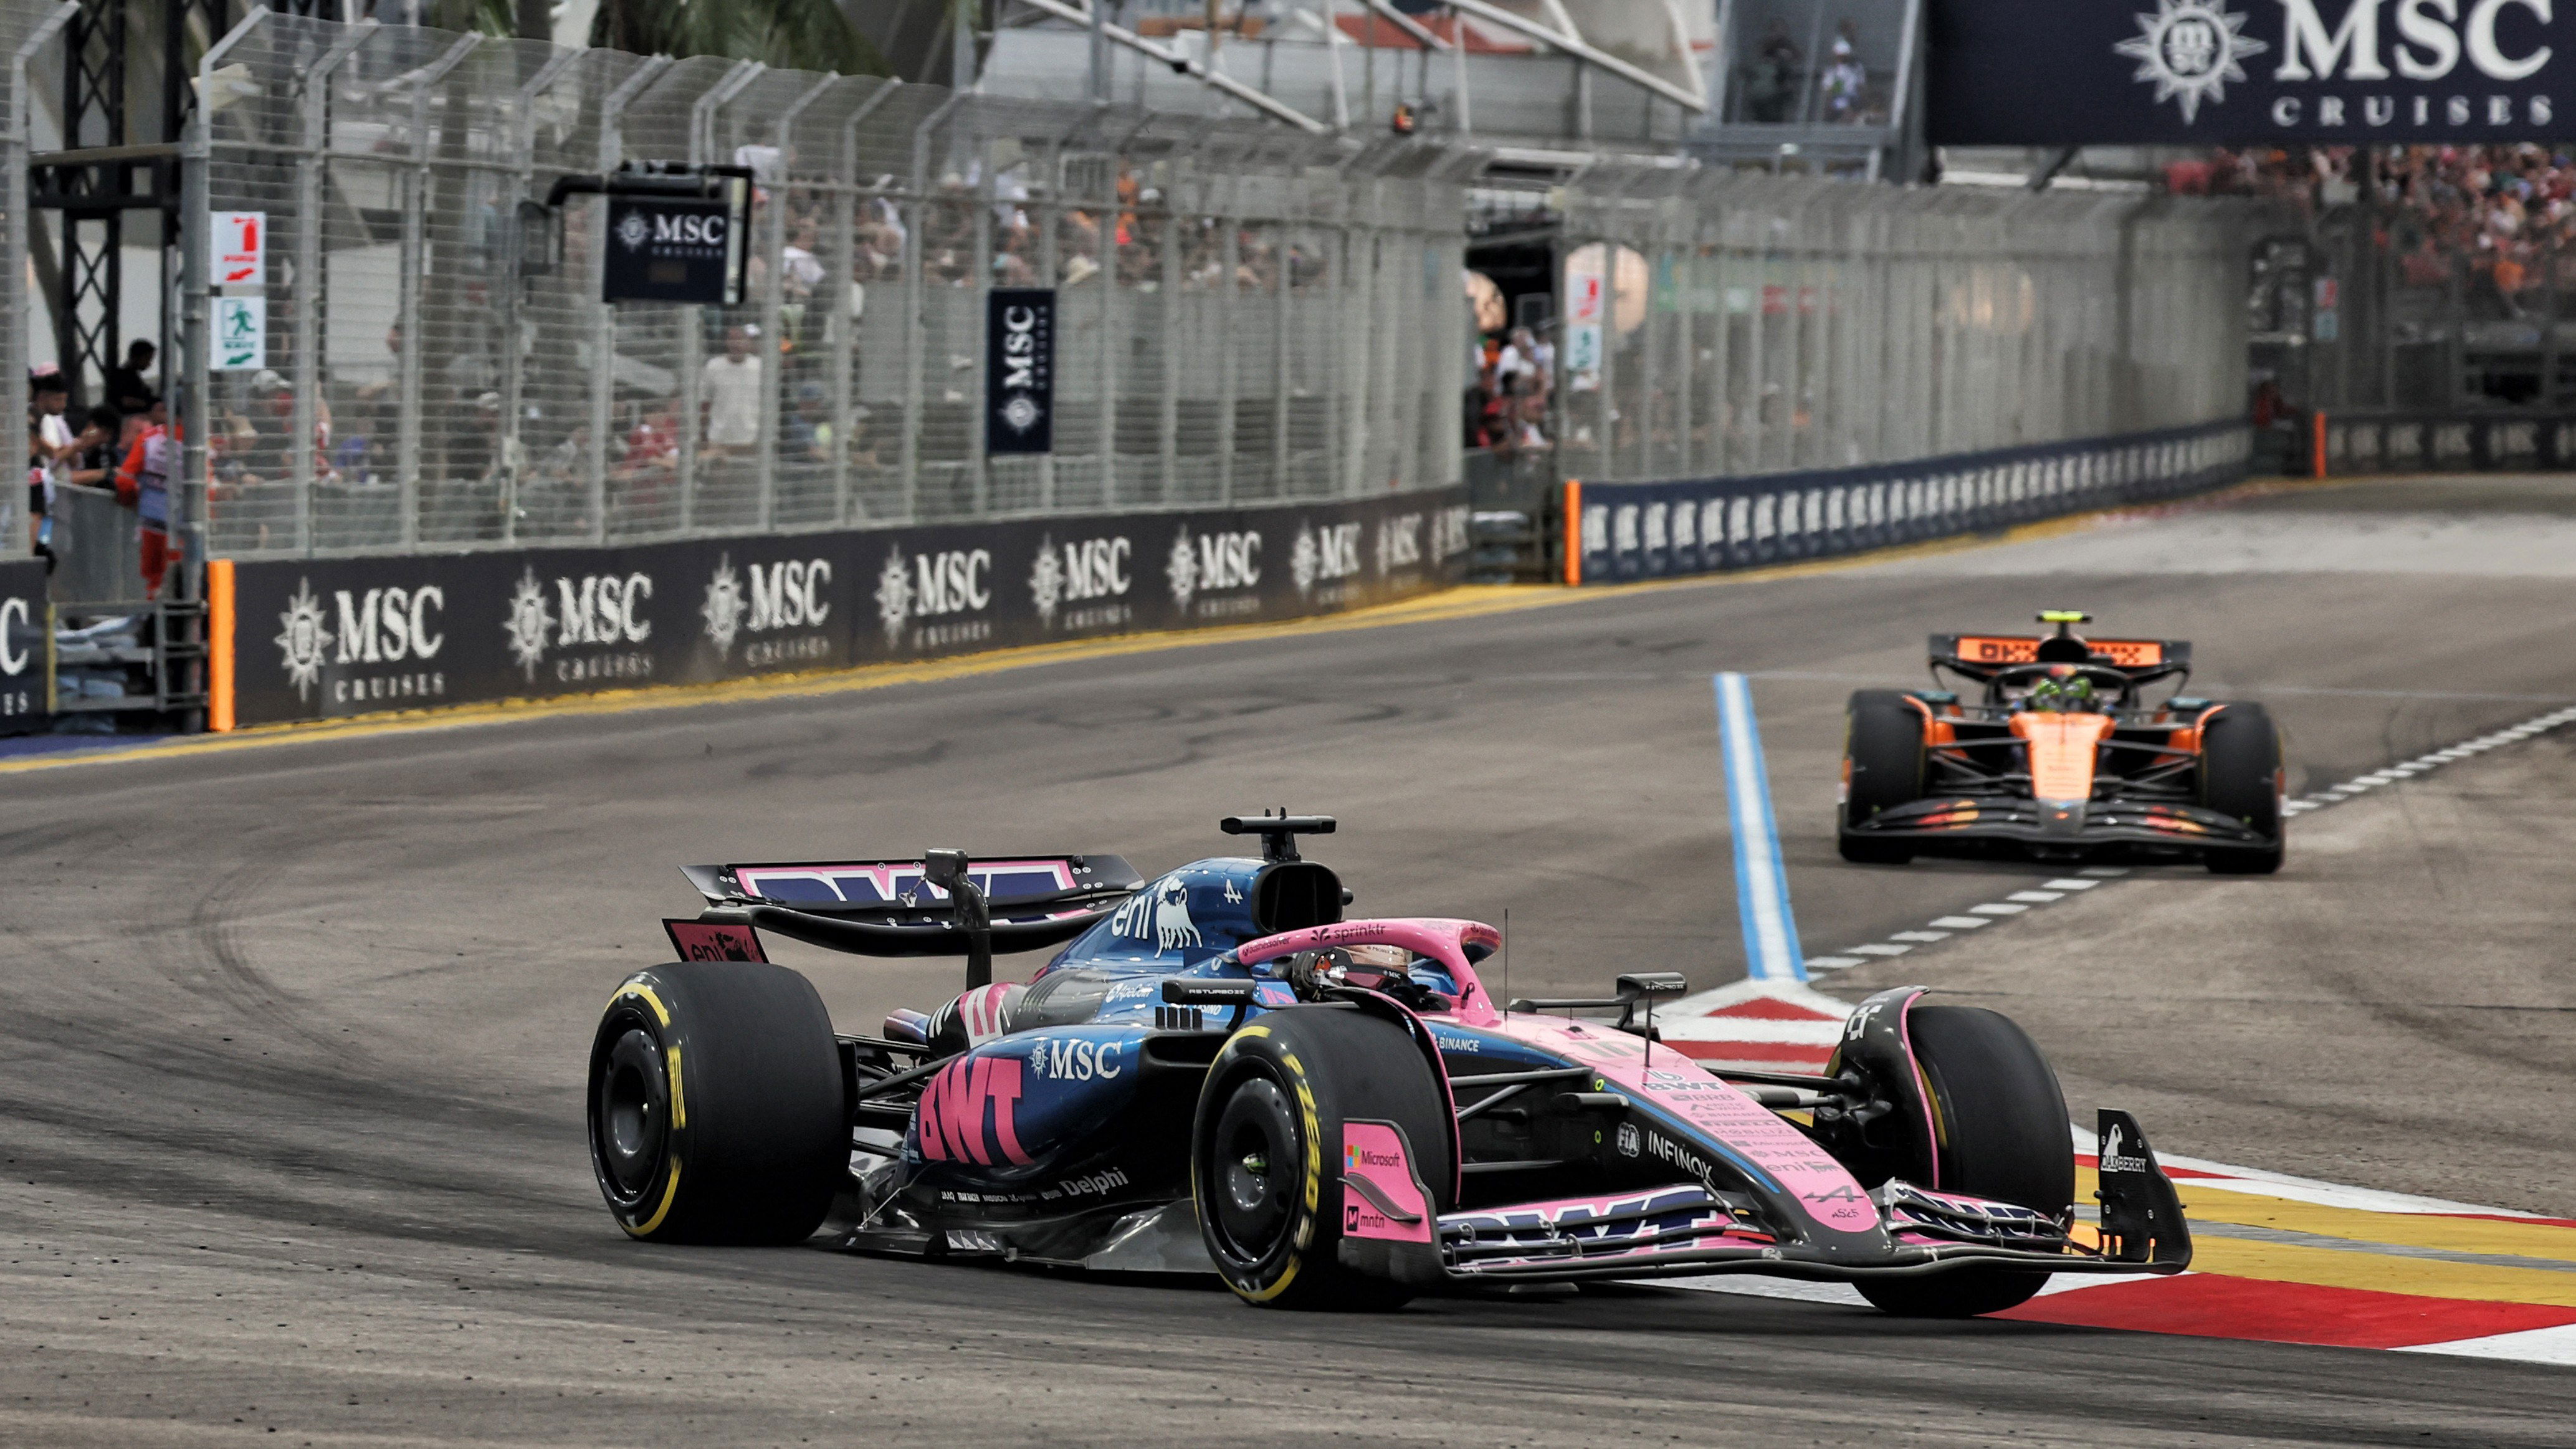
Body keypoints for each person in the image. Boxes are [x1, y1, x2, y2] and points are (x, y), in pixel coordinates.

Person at [113, 397, 178, 599]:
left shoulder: (149, 438)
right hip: (189, 527)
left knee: (155, 584)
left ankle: (153, 624)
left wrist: (132, 500)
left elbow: (124, 481)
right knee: (185, 584)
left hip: (154, 522)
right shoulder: (202, 442)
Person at [700, 324, 763, 459]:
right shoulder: (714, 367)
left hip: (750, 440)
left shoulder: (760, 367)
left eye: (741, 339)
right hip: (720, 440)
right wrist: (704, 437)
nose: (736, 344)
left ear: (749, 342)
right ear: (727, 342)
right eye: (732, 339)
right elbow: (705, 403)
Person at [105, 340, 157, 414]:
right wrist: (147, 404)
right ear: (137, 357)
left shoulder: (132, 375)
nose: (149, 363)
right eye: (147, 359)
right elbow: (124, 401)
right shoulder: (121, 376)